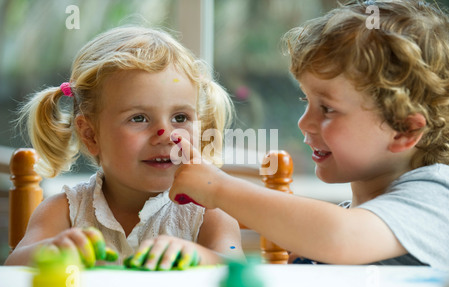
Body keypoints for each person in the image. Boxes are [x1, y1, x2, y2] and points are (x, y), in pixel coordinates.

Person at [169, 0, 449, 270]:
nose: (304, 123)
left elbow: (341, 237)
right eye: (307, 102)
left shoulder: (435, 201)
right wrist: (208, 262)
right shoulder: (339, 224)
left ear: (403, 130)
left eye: (327, 109)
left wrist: (217, 187)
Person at [5, 26, 243, 269]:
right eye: (139, 118)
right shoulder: (64, 211)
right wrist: (54, 249)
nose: (166, 136)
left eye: (180, 118)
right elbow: (14, 267)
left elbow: (234, 261)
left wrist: (198, 256)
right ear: (91, 135)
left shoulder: (209, 212)